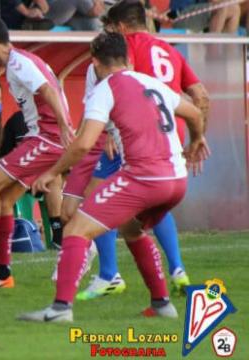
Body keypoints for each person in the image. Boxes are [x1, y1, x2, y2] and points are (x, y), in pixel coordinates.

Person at [17, 31, 209, 323]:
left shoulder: (105, 88)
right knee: (133, 230)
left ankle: (60, 309)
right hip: (177, 180)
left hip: (144, 178)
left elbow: (83, 143)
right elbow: (195, 112)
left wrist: (52, 172)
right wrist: (195, 141)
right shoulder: (150, 82)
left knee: (75, 231)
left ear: (94, 62)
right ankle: (162, 304)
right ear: (129, 58)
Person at [74, 0, 211, 300]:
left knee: (98, 196)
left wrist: (110, 128)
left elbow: (121, 83)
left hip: (134, 136)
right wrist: (197, 137)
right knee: (154, 201)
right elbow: (200, 95)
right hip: (169, 135)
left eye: (110, 28)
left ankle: (109, 274)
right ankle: (177, 270)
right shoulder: (170, 50)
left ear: (120, 27)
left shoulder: (125, 47)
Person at [0, 16, 73, 289]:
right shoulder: (21, 62)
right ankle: (3, 276)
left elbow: (47, 91)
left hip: (47, 137)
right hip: (42, 136)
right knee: (5, 199)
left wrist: (64, 125)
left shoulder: (19, 64)